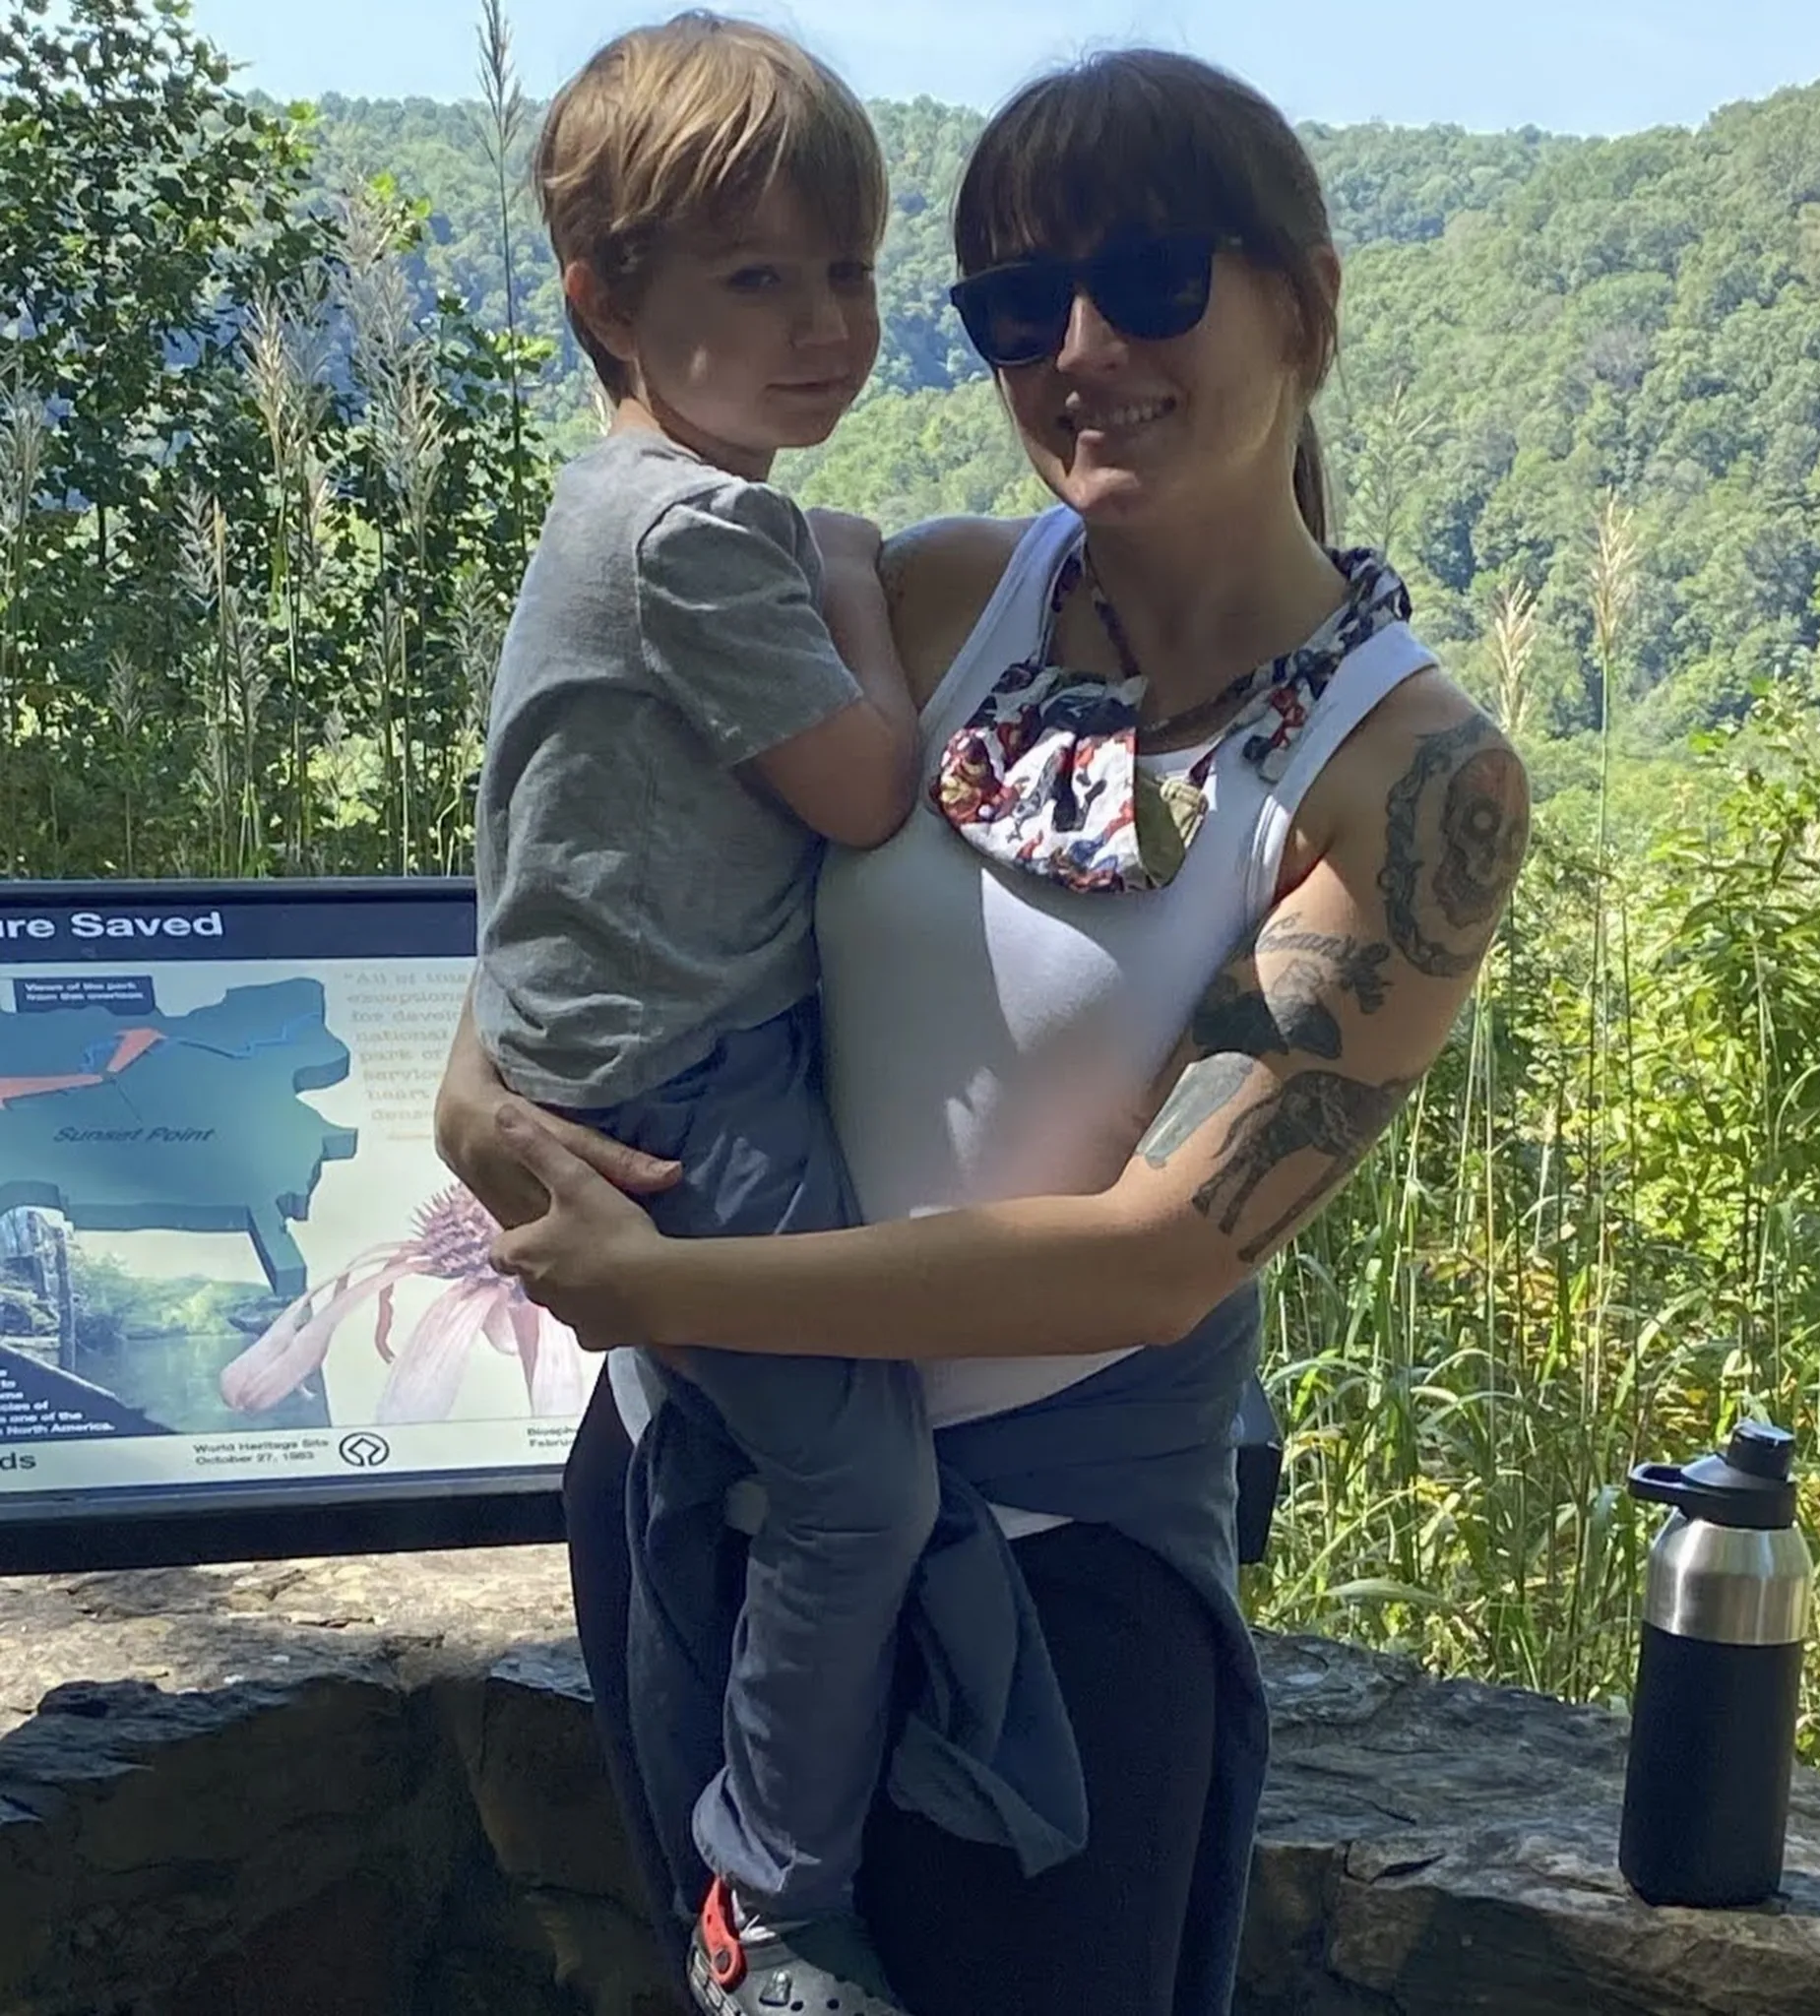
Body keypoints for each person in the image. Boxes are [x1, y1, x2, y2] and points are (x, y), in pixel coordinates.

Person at [438, 45, 1531, 2016]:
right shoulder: (937, 599)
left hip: (1050, 1588)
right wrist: (476, 1085)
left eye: (1151, 280)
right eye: (1021, 306)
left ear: (1305, 301)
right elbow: (614, 844)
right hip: (695, 1482)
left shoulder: (1414, 782)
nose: (1083, 349)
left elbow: (1157, 1254)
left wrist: (663, 1279)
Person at [473, 17, 934, 2013]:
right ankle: (769, 1898)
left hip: (603, 1049)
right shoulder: (705, 533)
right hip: (689, 1085)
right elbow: (867, 788)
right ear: (606, 296)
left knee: (750, 1448)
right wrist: (857, 584)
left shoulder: (609, 499)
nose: (825, 324)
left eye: (847, 269)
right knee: (862, 1485)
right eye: (756, 279)